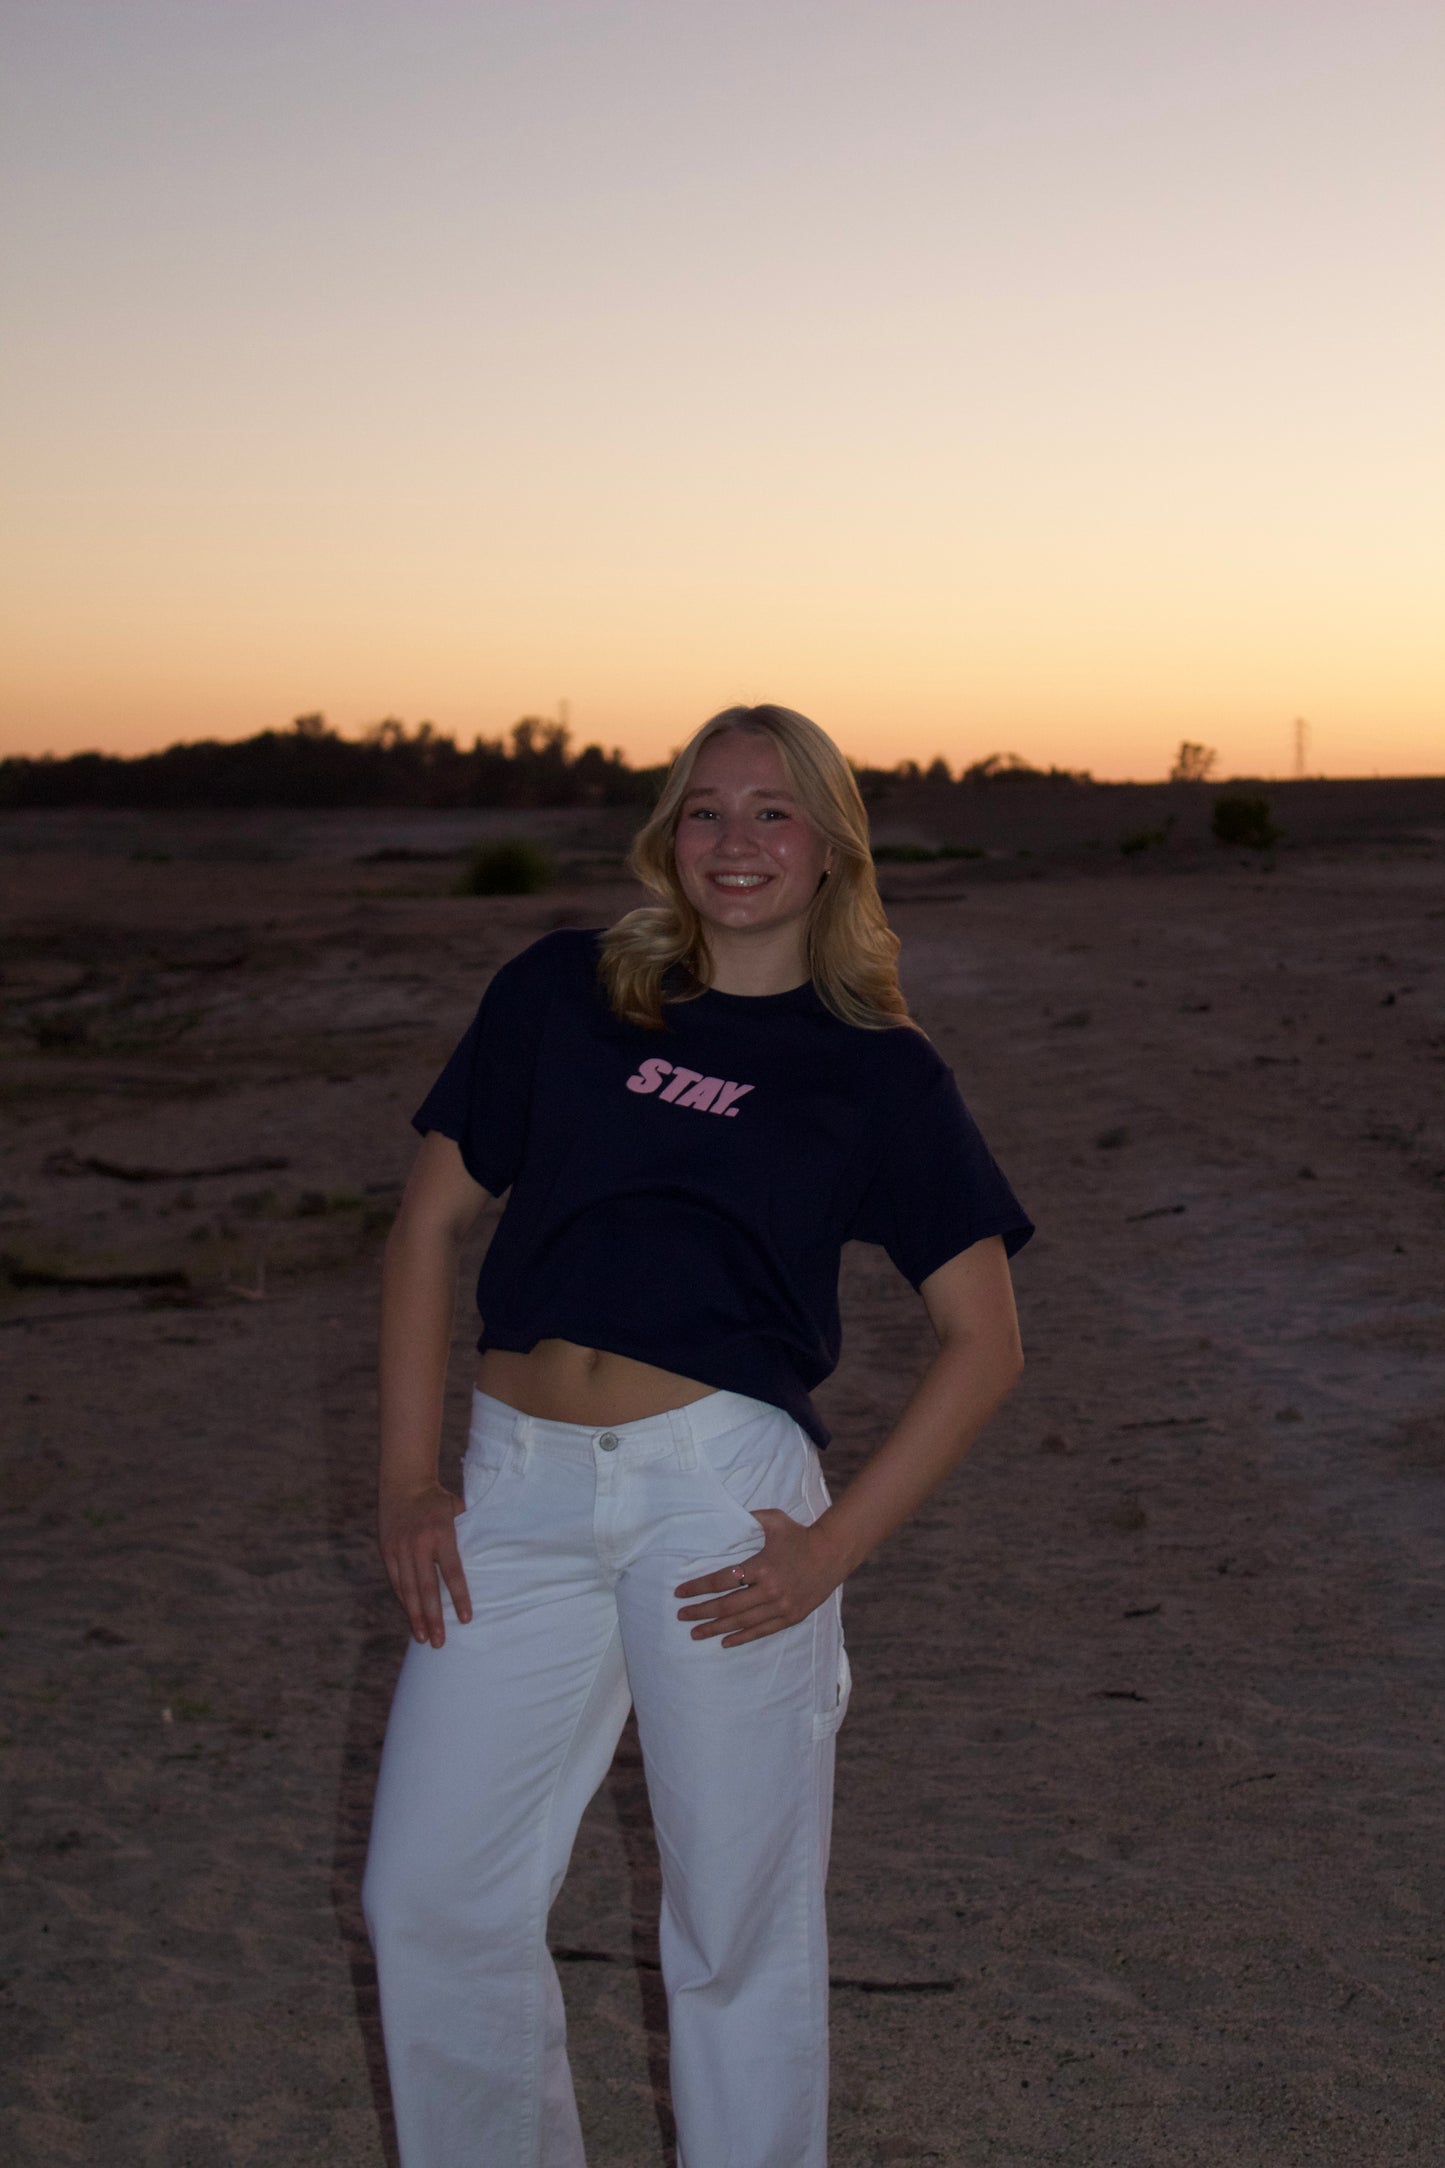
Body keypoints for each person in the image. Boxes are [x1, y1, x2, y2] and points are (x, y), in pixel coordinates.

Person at [362, 703, 1033, 2168]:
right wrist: (412, 1484)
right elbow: (424, 1226)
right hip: (511, 1493)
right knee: (431, 1897)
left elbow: (984, 1342)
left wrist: (832, 1552)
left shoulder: (875, 1069)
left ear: (830, 852)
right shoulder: (560, 991)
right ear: (670, 834)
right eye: (708, 810)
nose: (736, 843)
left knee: (732, 1926)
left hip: (717, 1507)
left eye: (773, 813)